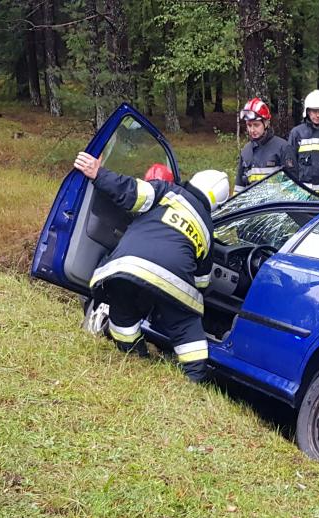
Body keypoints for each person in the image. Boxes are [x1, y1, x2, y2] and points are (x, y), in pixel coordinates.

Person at [72, 150, 231, 383]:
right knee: (186, 323)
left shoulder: (168, 192)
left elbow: (130, 191)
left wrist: (99, 174)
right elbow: (202, 281)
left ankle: (135, 356)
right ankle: (194, 379)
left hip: (126, 267)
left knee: (123, 312)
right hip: (172, 283)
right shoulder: (207, 229)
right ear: (217, 203)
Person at [235, 97, 295, 194]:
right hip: (254, 208)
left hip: (276, 207)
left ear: (266, 123)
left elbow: (293, 186)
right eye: (249, 125)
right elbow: (239, 188)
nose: (252, 130)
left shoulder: (282, 147)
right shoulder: (246, 151)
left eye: (256, 125)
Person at [288, 90, 319, 196]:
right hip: (302, 194)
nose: (318, 115)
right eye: (314, 111)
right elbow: (290, 166)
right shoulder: (297, 133)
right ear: (308, 111)